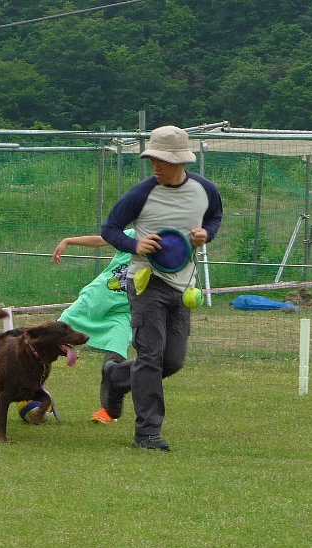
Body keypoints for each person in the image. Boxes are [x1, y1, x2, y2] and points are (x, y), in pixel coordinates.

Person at [99, 125, 223, 451]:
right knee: (151, 356)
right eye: (152, 159)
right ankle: (148, 433)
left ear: (180, 161)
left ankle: (117, 377)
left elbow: (214, 218)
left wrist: (206, 234)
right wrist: (135, 245)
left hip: (184, 287)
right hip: (146, 283)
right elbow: (110, 229)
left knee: (173, 361)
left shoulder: (205, 190)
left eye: (162, 160)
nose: (156, 165)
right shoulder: (141, 193)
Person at [51, 230, 134, 424]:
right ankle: (30, 390)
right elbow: (101, 240)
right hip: (93, 302)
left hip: (121, 313)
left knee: (115, 359)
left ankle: (109, 411)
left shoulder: (165, 249)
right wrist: (68, 240)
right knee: (50, 338)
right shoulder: (132, 235)